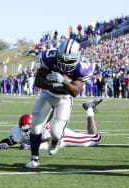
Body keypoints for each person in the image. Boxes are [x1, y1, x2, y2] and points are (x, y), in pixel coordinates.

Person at [25, 39, 93, 168]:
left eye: (69, 61)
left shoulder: (83, 66)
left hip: (65, 99)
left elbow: (75, 92)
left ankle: (56, 141)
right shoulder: (49, 58)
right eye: (63, 59)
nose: (66, 64)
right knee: (35, 127)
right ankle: (34, 158)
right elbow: (38, 82)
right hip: (47, 95)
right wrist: (53, 83)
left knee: (56, 132)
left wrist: (64, 82)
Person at [0, 98, 103, 150]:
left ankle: (89, 108)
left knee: (96, 139)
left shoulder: (42, 128)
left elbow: (50, 143)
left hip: (61, 137)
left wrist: (31, 147)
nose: (28, 132)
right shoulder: (19, 132)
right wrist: (5, 144)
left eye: (30, 129)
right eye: (25, 130)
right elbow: (10, 140)